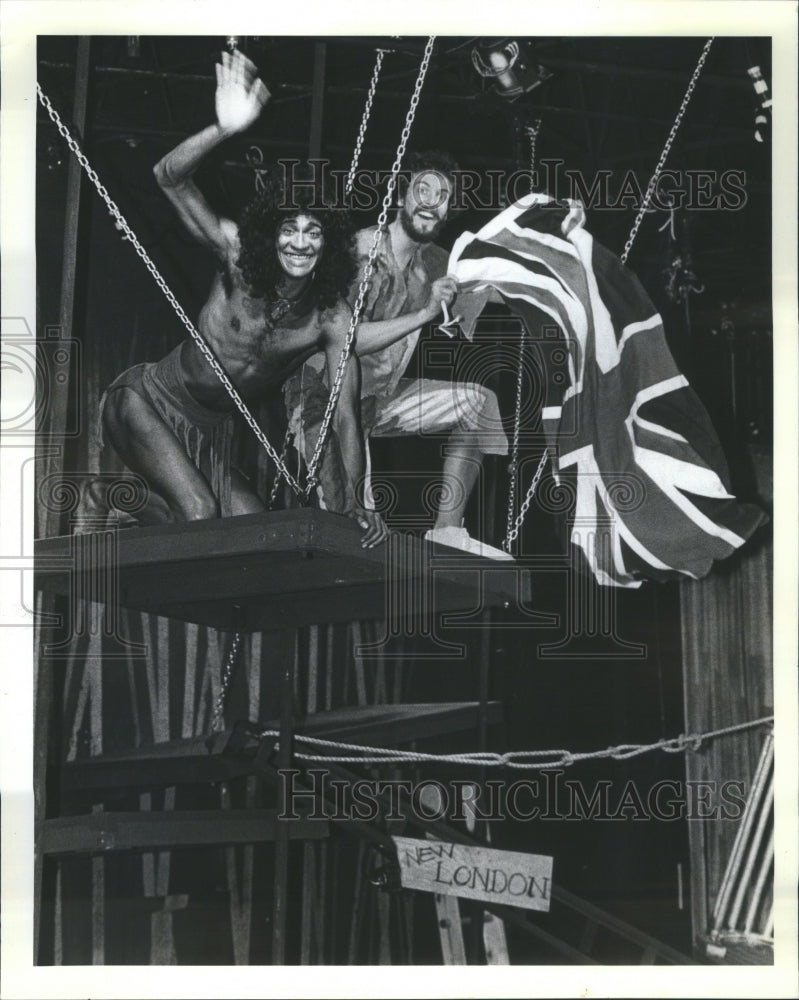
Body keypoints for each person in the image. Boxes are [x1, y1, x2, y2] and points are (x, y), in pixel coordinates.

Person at [98, 51, 452, 548]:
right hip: (146, 401)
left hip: (206, 435)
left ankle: (134, 506)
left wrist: (352, 499)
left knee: (256, 536)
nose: (300, 243)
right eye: (289, 229)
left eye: (313, 233)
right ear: (272, 233)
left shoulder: (330, 318)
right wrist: (224, 127)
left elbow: (346, 414)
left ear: (328, 244)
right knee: (199, 513)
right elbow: (168, 176)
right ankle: (145, 503)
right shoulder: (238, 256)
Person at [284, 151, 511, 558]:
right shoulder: (361, 252)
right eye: (421, 189)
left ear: (450, 209)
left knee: (479, 403)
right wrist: (425, 313)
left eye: (441, 196)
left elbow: (503, 284)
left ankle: (446, 530)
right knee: (354, 529)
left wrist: (554, 231)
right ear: (402, 194)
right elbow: (341, 342)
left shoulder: (436, 264)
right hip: (326, 402)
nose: (429, 201)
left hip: (381, 400)